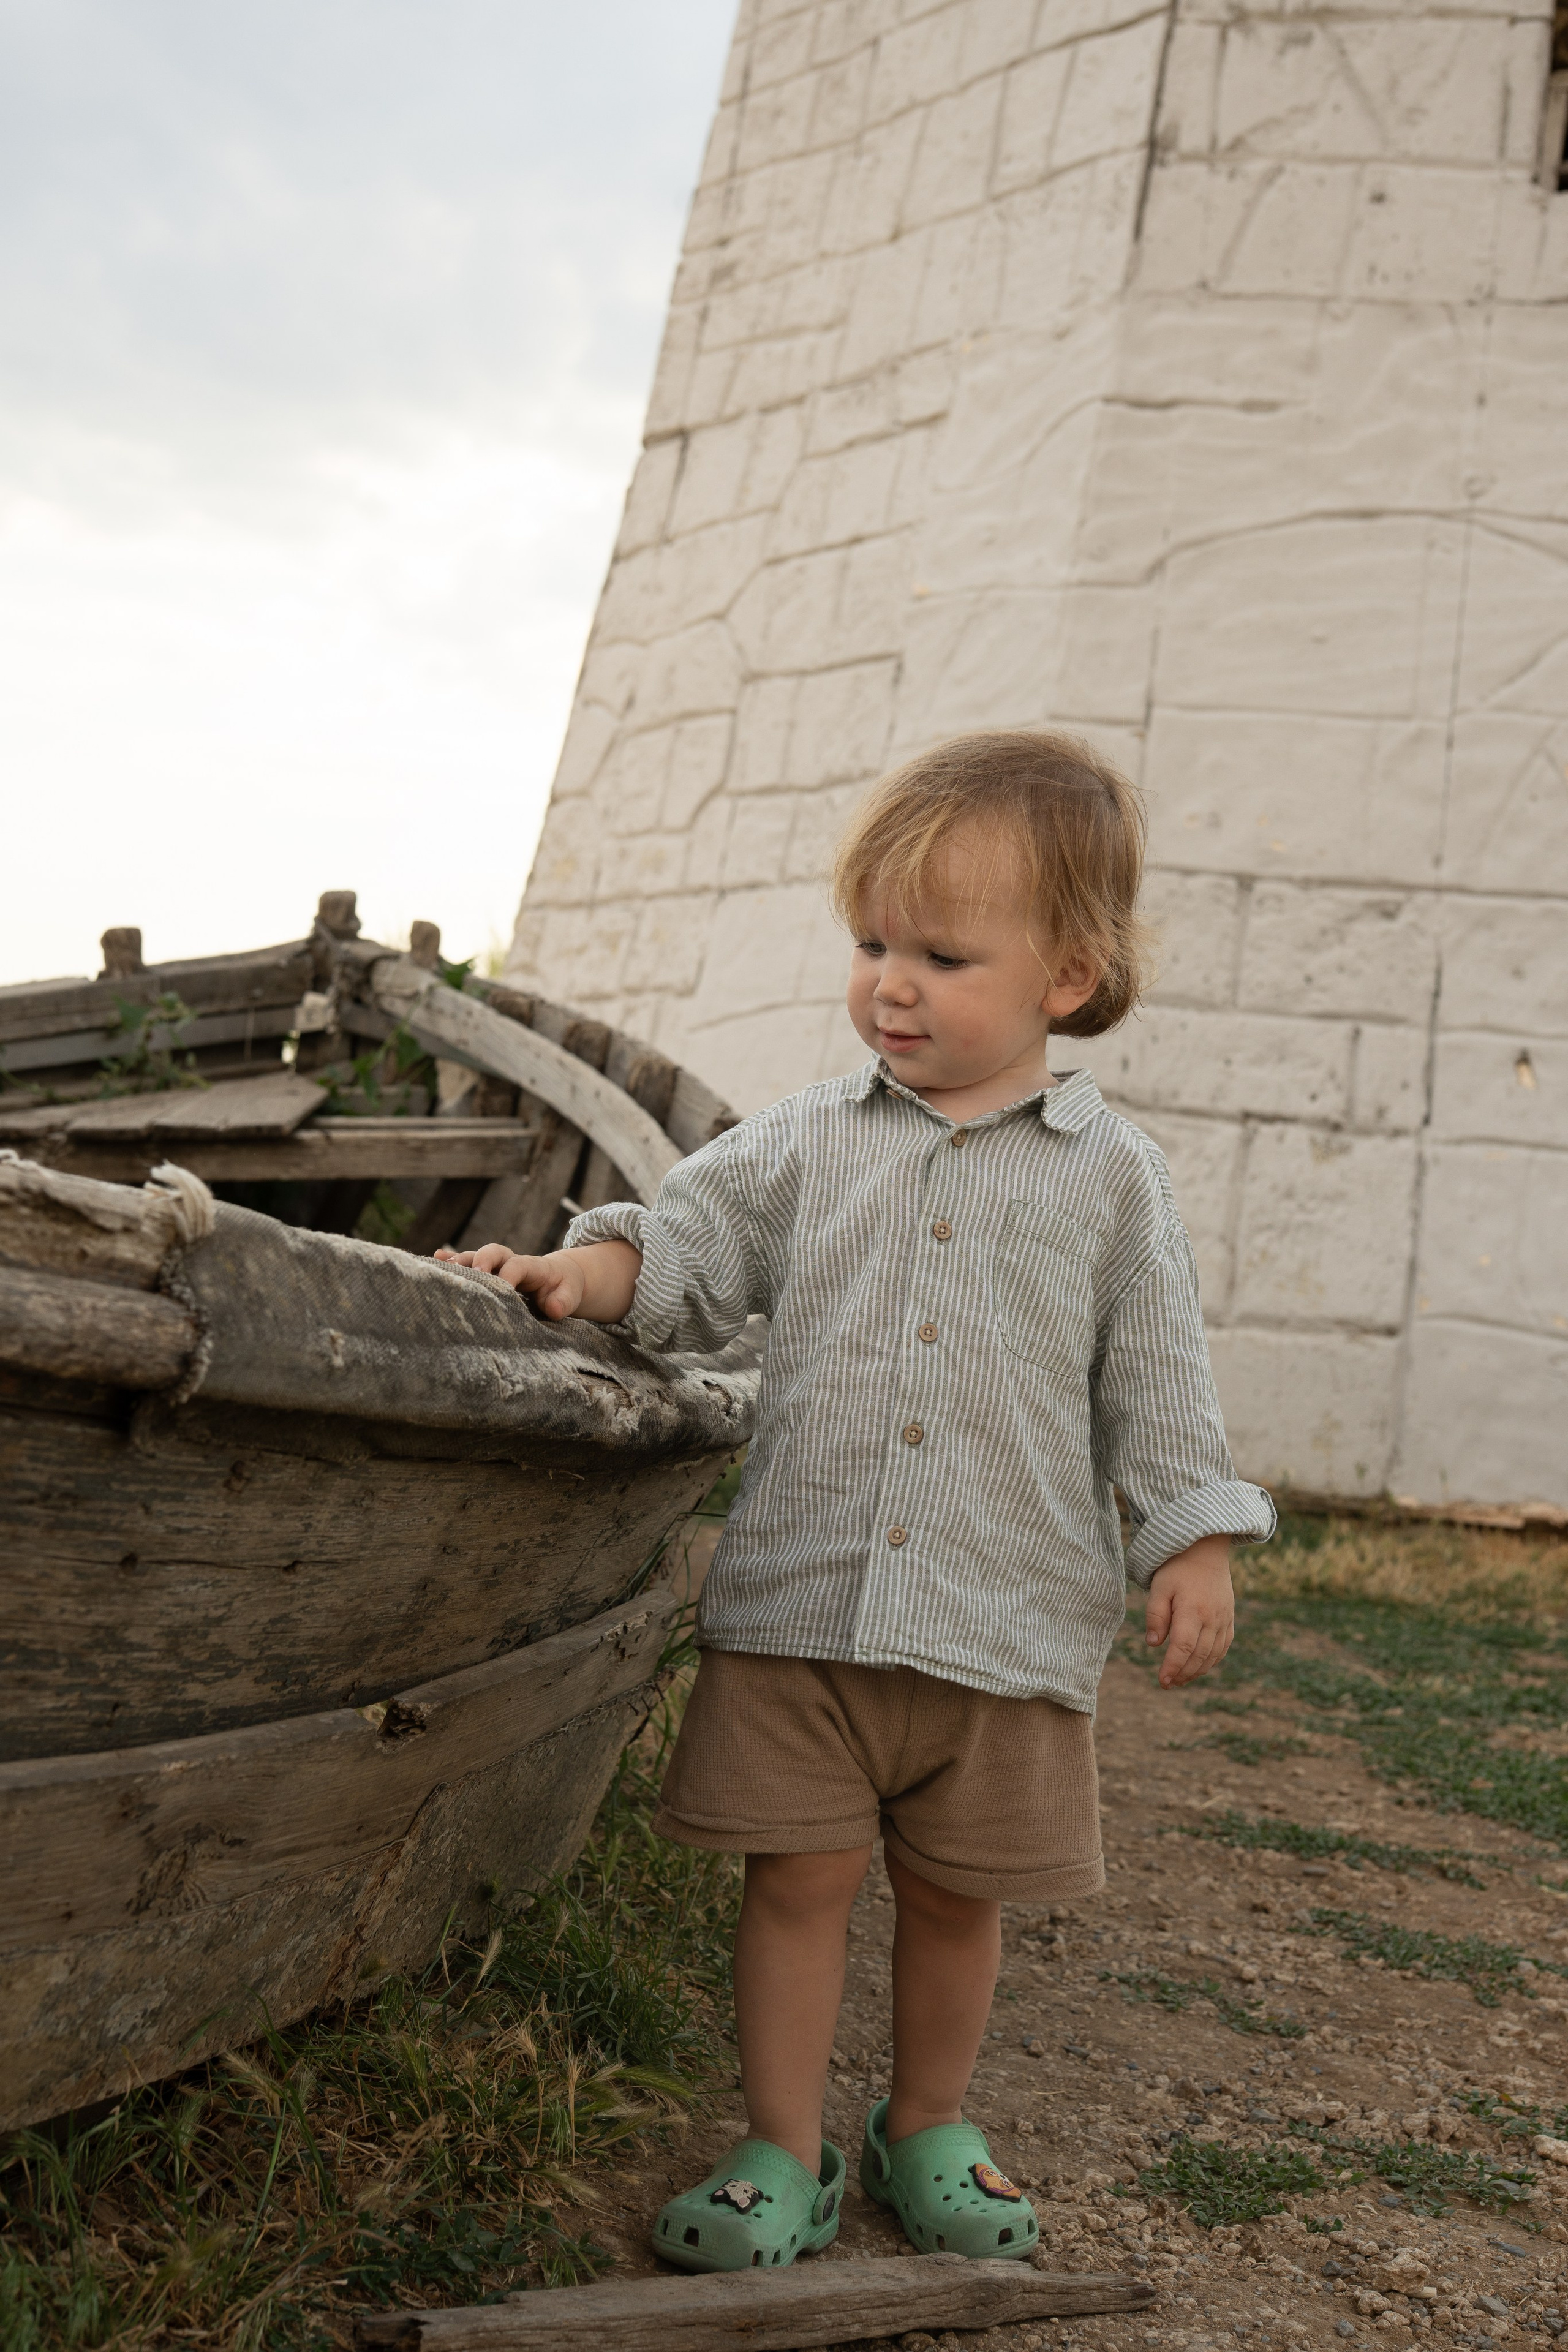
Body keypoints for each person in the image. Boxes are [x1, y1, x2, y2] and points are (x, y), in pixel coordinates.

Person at [439, 730, 1275, 2271]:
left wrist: (1193, 1538)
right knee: (798, 1880)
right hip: (806, 1604)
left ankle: (927, 2123)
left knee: (956, 1898)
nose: (891, 984)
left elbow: (1158, 1376)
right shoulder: (810, 1140)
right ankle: (780, 2144)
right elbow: (685, 1252)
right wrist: (575, 1274)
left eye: (941, 956)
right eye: (872, 944)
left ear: (1066, 978)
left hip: (1003, 1625)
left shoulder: (1111, 1180)